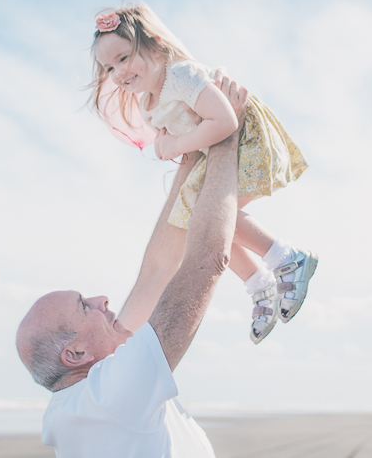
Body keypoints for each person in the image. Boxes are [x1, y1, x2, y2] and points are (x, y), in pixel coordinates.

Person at [17, 75, 247, 457]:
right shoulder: (110, 395)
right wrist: (225, 135)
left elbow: (157, 269)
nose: (102, 299)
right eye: (83, 306)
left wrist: (190, 158)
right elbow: (208, 259)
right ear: (75, 355)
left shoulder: (84, 399)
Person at [89, 1, 317, 343]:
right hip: (215, 153)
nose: (118, 72)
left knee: (208, 217)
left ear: (154, 44)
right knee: (198, 222)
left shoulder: (180, 75)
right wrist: (169, 144)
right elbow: (177, 138)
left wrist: (175, 144)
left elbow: (225, 120)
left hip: (247, 142)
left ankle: (286, 258)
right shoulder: (146, 104)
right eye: (109, 67)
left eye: (124, 58)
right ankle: (259, 283)